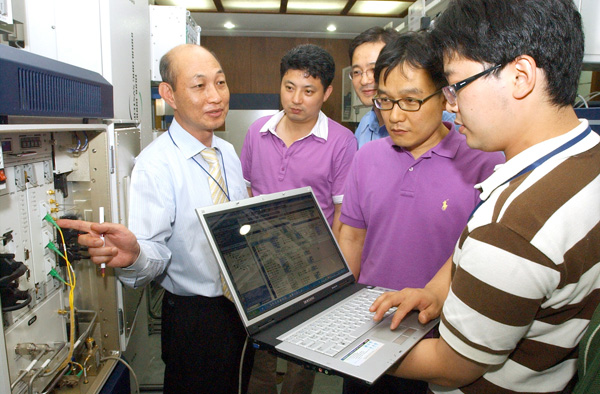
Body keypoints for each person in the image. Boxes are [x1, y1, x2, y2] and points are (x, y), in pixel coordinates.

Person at [369, 1, 600, 393]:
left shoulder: (512, 224)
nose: (451, 105)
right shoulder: (586, 157)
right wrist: (435, 292)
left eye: (457, 86)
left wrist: (351, 347)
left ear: (520, 76)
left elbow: (451, 367)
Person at [56, 44, 253, 394]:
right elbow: (154, 251)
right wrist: (134, 257)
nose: (215, 96)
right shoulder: (156, 164)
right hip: (195, 318)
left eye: (220, 83)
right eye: (199, 85)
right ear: (169, 94)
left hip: (239, 306)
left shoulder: (227, 152)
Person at [338, 31, 504, 394]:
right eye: (384, 100)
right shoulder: (366, 158)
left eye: (410, 101)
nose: (395, 116)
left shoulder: (484, 161)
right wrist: (333, 307)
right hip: (369, 328)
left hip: (440, 342)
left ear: (446, 95)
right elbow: (352, 235)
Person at [242, 44, 357, 394]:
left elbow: (342, 215)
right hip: (259, 261)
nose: (296, 99)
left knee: (299, 357)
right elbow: (246, 194)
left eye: (308, 91)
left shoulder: (341, 141)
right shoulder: (257, 131)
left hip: (310, 265)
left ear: (327, 93)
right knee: (258, 352)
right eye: (289, 87)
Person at [348, 27, 398, 148]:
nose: (364, 81)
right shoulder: (364, 126)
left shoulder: (441, 123)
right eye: (357, 72)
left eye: (374, 70)